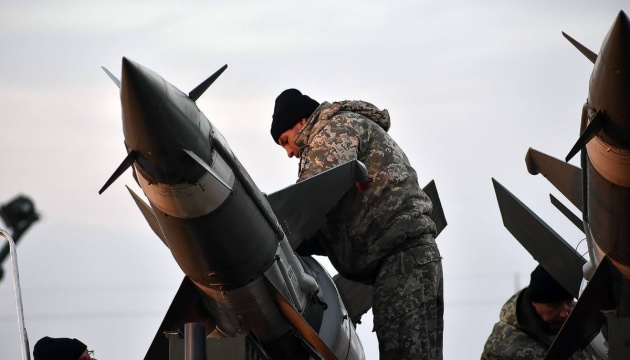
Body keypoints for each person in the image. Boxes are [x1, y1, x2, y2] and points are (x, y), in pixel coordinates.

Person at [270, 89, 443, 359]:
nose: (290, 152)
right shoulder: (345, 128)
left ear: (302, 122)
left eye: (286, 140)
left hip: (401, 260)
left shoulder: (333, 131)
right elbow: (331, 221)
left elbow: (308, 202)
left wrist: (272, 232)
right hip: (403, 261)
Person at [481, 265, 591, 359]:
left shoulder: (588, 319)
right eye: (554, 305)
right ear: (535, 303)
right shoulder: (503, 347)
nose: (564, 314)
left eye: (569, 302)